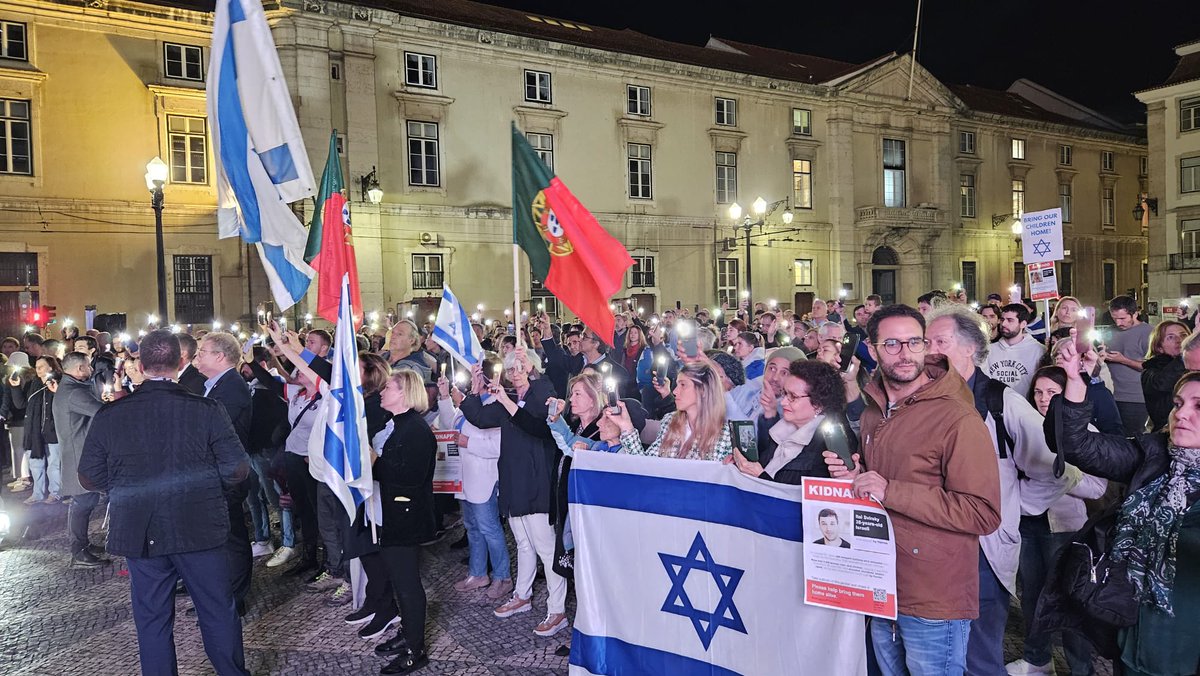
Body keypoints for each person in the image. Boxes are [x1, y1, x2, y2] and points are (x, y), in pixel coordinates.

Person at [829, 304, 1001, 675]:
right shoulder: (875, 411)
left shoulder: (957, 417)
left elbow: (982, 512)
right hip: (881, 583)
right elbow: (879, 480)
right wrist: (856, 476)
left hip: (933, 594)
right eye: (892, 344)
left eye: (914, 342)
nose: (906, 353)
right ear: (872, 349)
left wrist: (890, 490)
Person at [77, 329, 252, 676]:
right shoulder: (206, 409)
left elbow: (89, 476)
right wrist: (210, 491)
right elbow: (237, 468)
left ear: (141, 365)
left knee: (152, 618)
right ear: (180, 362)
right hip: (198, 523)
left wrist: (124, 488)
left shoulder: (112, 414)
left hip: (141, 526)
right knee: (217, 610)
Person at [925, 305, 1079, 675]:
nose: (928, 350)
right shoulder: (920, 399)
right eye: (925, 342)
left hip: (982, 550)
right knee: (934, 650)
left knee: (978, 655)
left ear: (970, 348)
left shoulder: (1000, 402)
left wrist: (1012, 507)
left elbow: (1059, 471)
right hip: (930, 545)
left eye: (939, 342)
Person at [1041, 339, 1200, 676]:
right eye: (1178, 403)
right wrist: (1075, 380)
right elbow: (1076, 445)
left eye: (1199, 407)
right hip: (1133, 635)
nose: (1182, 414)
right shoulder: (1153, 455)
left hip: (1185, 645)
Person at [459, 349, 568, 637]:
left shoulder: (541, 392)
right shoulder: (506, 398)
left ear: (531, 368)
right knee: (523, 543)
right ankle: (522, 595)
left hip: (536, 481)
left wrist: (525, 380)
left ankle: (557, 610)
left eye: (521, 367)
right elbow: (480, 417)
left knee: (546, 547)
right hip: (512, 481)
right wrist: (475, 388)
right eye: (511, 369)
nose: (515, 373)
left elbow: (539, 423)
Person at [1006, 365, 1107, 676]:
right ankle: (1037, 659)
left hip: (1065, 528)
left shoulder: (1087, 433)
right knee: (1032, 596)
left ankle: (1081, 668)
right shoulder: (1021, 428)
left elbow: (1098, 488)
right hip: (1028, 524)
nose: (1043, 398)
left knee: (1069, 601)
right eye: (1038, 392)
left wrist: (1061, 477)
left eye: (1052, 392)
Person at [369, 369, 437, 675]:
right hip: (394, 514)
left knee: (408, 584)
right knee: (399, 580)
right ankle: (408, 633)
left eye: (389, 388)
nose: (382, 392)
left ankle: (415, 649)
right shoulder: (399, 425)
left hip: (406, 517)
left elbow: (409, 477)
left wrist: (373, 460)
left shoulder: (416, 431)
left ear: (404, 394)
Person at [435, 354, 513, 601]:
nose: (472, 380)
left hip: (484, 478)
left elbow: (499, 446)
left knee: (489, 529)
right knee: (472, 528)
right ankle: (478, 573)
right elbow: (451, 425)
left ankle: (503, 576)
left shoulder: (496, 406)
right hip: (464, 477)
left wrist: (468, 442)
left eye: (476, 375)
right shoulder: (472, 402)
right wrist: (445, 397)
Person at [194, 332, 256, 616]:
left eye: (202, 352)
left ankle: (234, 599)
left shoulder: (232, 387)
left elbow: (213, 430)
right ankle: (219, 596)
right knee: (218, 538)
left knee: (232, 538)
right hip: (212, 473)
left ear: (220, 356)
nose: (198, 356)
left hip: (227, 473)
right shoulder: (214, 385)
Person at [732, 359, 849, 484]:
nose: (783, 402)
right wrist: (741, 464)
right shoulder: (781, 429)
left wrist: (760, 477)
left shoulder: (828, 449)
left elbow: (803, 495)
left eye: (793, 397)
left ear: (818, 404)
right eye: (785, 393)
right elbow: (760, 464)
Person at [610, 360, 732, 461]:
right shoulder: (670, 421)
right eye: (677, 385)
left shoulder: (724, 435)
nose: (675, 391)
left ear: (703, 390)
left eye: (683, 385)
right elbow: (646, 466)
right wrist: (626, 426)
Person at [54, 351, 109, 568]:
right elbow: (102, 412)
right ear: (79, 369)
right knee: (83, 503)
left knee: (84, 502)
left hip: (78, 454)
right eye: (88, 366)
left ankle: (82, 546)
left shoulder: (71, 388)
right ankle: (79, 551)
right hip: (80, 457)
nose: (91, 369)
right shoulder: (74, 392)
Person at [1104, 295, 1154, 435]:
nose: (1118, 323)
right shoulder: (1109, 331)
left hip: (1135, 397)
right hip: (1109, 394)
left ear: (1135, 314)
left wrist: (1123, 360)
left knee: (1132, 437)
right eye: (1114, 318)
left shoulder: (1149, 333)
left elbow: (1152, 367)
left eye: (1122, 318)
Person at [1140, 320, 1190, 433]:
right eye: (1170, 337)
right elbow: (1162, 383)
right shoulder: (1151, 371)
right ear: (1159, 347)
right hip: (1169, 433)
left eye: (1183, 335)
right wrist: (1185, 354)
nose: (1179, 340)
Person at [25, 355, 62, 504]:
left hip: (52, 431)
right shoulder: (32, 385)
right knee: (36, 464)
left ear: (51, 367)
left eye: (41, 366)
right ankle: (37, 494)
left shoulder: (59, 383)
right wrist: (14, 388)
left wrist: (56, 391)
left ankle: (55, 492)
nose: (38, 369)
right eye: (36, 366)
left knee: (54, 464)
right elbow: (21, 404)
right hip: (34, 432)